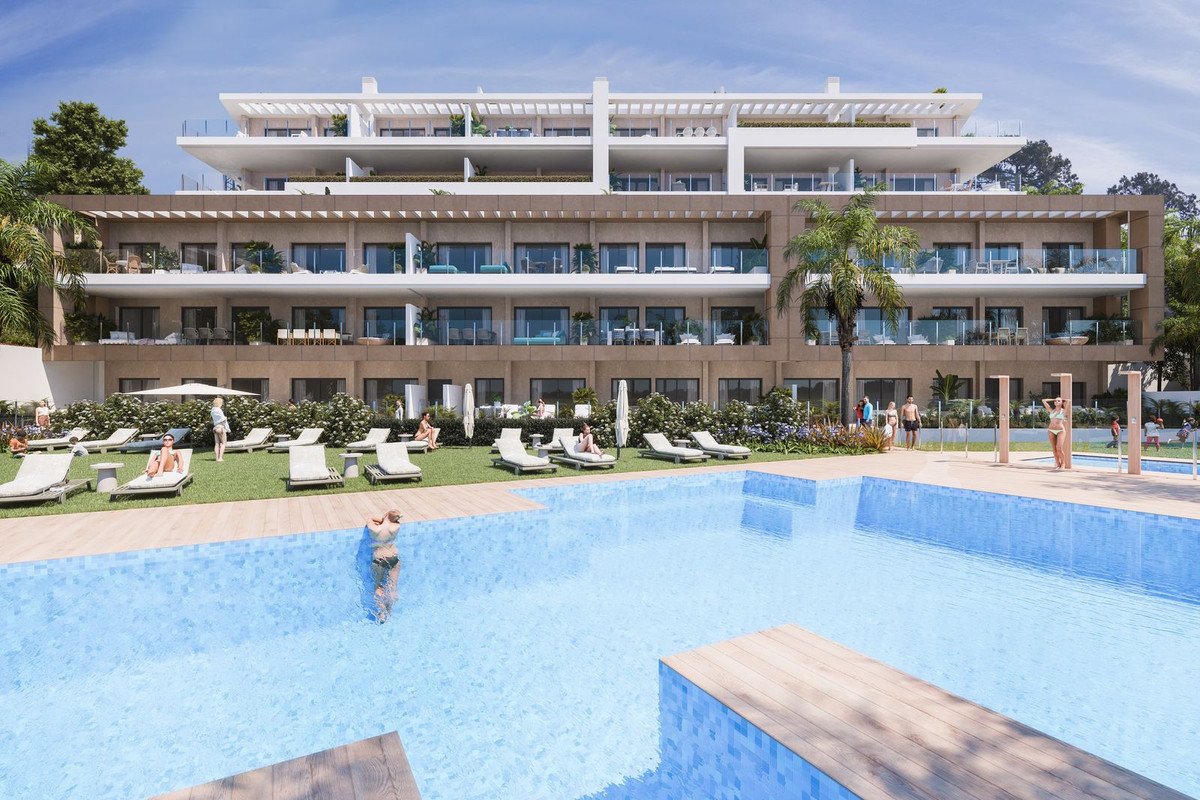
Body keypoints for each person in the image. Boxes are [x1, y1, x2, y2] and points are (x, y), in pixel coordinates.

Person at [366, 509, 402, 622]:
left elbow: (370, 519)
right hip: (393, 558)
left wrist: (382, 519)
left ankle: (382, 613)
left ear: (385, 515)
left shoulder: (374, 529)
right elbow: (394, 520)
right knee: (393, 587)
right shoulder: (396, 527)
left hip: (380, 559)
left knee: (378, 586)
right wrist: (388, 518)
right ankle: (389, 611)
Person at [1042, 396, 1068, 469]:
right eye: (1055, 401)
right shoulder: (1052, 411)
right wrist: (1053, 399)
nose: (1056, 402)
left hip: (1060, 430)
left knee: (1059, 448)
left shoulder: (1063, 411)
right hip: (1051, 430)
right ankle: (1058, 464)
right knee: (1054, 449)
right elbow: (1043, 400)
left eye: (1058, 401)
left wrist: (1065, 400)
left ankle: (1063, 463)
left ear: (1062, 402)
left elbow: (1068, 402)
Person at [211, 397, 231, 462]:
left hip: (215, 428)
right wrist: (225, 418)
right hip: (221, 428)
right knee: (223, 443)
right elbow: (222, 419)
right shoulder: (219, 410)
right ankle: (220, 458)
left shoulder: (212, 411)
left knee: (217, 444)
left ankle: (216, 458)